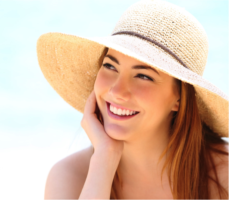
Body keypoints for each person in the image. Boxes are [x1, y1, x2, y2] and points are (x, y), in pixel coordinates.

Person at [36, 0, 229, 199]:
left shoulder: (222, 175)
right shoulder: (70, 177)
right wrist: (104, 159)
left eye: (143, 76)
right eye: (110, 66)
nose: (118, 91)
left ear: (179, 99)